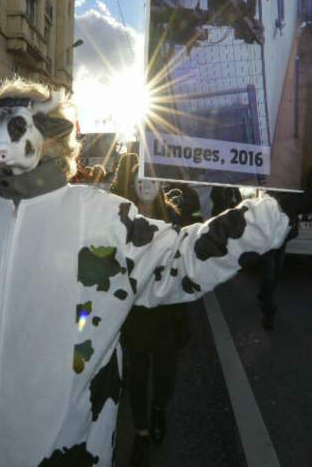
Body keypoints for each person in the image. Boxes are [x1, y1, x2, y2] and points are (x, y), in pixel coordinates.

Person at [0, 78, 312, 467]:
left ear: (53, 138)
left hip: (66, 453)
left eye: (13, 126)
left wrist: (281, 207)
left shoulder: (102, 218)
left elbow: (183, 259)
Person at [111, 154, 191, 467]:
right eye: (140, 180)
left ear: (159, 186)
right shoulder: (120, 219)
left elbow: (183, 265)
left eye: (151, 180)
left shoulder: (173, 219)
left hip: (165, 314)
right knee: (136, 374)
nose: (145, 185)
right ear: (133, 184)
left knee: (165, 376)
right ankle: (142, 432)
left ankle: (159, 408)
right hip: (133, 315)